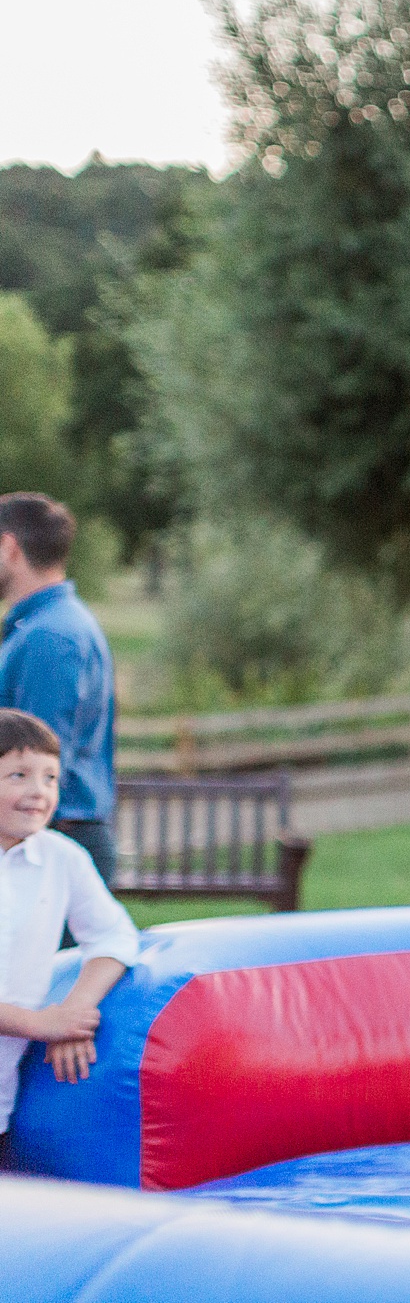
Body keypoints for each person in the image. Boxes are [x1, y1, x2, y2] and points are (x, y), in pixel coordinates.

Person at [0, 708, 139, 1157]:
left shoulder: (62, 858)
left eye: (51, 778)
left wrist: (74, 1012)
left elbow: (114, 937)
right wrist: (40, 1024)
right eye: (18, 775)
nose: (38, 792)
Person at [0, 494, 118, 887]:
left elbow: (36, 753)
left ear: (9, 547)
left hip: (51, 843)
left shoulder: (51, 636)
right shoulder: (46, 627)